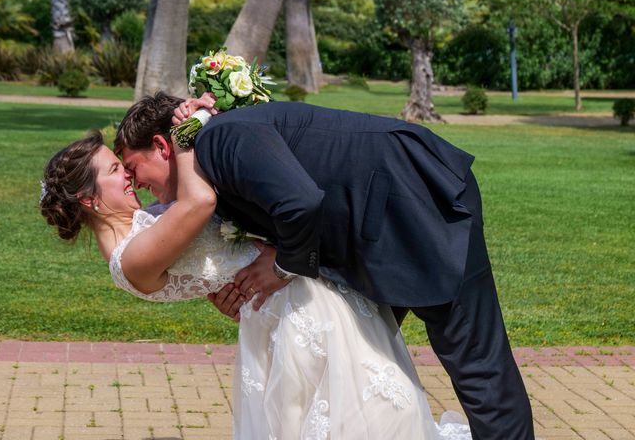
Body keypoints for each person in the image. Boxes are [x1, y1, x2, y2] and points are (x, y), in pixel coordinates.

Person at [115, 92, 534, 439]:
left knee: (477, 363)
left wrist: (280, 268)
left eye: (135, 170)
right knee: (367, 376)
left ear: (161, 145)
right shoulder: (210, 165)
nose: (140, 186)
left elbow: (299, 201)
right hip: (369, 241)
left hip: (417, 202)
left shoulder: (220, 139)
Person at [40, 130, 472, 439]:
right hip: (292, 305)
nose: (128, 176)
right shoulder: (130, 257)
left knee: (357, 410)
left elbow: (201, 261)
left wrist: (220, 286)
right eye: (116, 170)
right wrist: (188, 129)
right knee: (358, 414)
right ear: (88, 199)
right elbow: (201, 201)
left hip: (286, 299)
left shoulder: (139, 227)